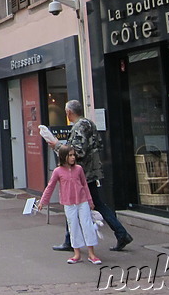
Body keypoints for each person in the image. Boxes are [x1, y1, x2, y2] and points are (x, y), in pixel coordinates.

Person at [46, 100, 133, 252]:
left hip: (81, 173)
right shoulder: (89, 124)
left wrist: (57, 146)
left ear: (69, 113)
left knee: (71, 203)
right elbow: (97, 145)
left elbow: (78, 152)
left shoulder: (79, 127)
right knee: (96, 203)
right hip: (91, 171)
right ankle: (120, 233)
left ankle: (70, 240)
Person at [38, 145, 102, 265]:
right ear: (63, 157)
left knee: (87, 225)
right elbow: (50, 186)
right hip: (68, 203)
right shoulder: (58, 171)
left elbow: (84, 185)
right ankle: (77, 254)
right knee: (73, 227)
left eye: (74, 155)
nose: (73, 158)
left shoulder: (79, 169)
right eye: (70, 155)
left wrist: (90, 201)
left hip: (82, 201)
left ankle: (91, 253)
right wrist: (43, 201)